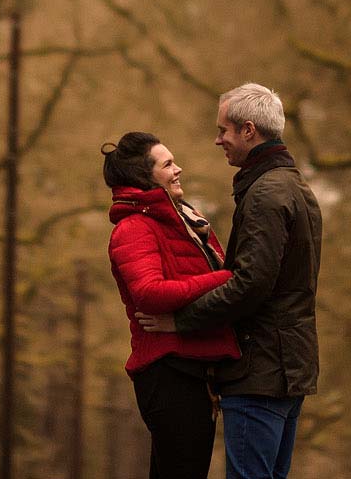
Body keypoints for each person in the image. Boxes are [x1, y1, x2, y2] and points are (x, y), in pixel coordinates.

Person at [137, 84, 321, 479]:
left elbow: (250, 284)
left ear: (249, 130)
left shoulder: (265, 196)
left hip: (260, 372)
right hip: (289, 369)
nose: (218, 139)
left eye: (224, 130)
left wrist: (180, 321)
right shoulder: (296, 188)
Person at [104, 131, 242, 479]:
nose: (178, 169)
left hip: (193, 370)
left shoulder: (186, 220)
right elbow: (149, 293)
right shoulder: (134, 228)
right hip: (168, 372)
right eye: (168, 164)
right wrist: (228, 278)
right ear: (144, 177)